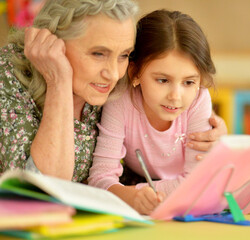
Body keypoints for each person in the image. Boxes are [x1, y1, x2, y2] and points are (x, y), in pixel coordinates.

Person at [0, 0, 227, 182]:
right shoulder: (9, 74)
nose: (113, 74)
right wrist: (58, 80)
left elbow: (156, 145)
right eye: (98, 54)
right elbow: (39, 188)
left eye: (124, 55)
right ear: (53, 42)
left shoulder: (118, 87)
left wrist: (210, 133)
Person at [88, 9, 219, 215]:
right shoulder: (120, 101)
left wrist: (132, 195)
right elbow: (99, 177)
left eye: (189, 82)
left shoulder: (198, 99)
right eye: (163, 80)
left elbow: (196, 183)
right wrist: (131, 197)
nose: (176, 96)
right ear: (135, 73)